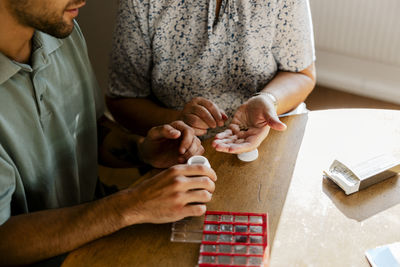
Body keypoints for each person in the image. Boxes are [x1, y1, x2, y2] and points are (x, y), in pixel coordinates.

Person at [0, 0, 217, 265]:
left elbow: (90, 128)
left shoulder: (59, 33)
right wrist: (130, 205)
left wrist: (141, 150)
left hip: (101, 237)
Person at [106, 0, 316, 154]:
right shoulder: (142, 3)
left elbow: (300, 73)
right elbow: (122, 99)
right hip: (179, 153)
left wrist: (269, 100)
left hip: (268, 138)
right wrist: (176, 121)